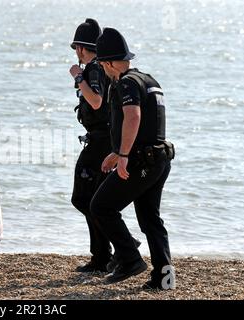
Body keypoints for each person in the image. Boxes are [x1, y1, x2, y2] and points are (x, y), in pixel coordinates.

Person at [90, 28, 175, 289]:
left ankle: (130, 259)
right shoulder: (149, 80)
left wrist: (124, 155)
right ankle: (164, 279)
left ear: (106, 63)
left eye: (102, 65)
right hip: (160, 158)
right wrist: (117, 152)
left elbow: (134, 116)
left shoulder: (126, 82)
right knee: (151, 219)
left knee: (101, 207)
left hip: (140, 160)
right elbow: (149, 125)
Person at [68, 18, 113, 272]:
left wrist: (77, 78)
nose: (77, 53)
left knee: (83, 198)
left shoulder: (94, 68)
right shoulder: (101, 67)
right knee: (93, 198)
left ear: (82, 49)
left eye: (77, 48)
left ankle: (109, 250)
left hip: (100, 141)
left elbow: (95, 101)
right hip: (102, 139)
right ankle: (103, 256)